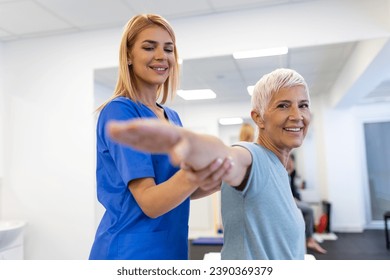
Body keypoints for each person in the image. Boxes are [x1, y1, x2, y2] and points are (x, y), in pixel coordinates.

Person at [107, 68, 312, 260]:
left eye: (303, 105)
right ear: (258, 118)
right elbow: (226, 155)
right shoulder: (253, 158)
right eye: (283, 106)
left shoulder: (278, 167)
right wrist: (191, 143)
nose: (297, 115)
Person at [89, 14, 232, 260]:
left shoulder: (172, 117)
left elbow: (179, 189)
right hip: (130, 253)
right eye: (149, 47)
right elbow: (151, 202)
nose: (161, 56)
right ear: (128, 56)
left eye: (169, 49)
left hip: (171, 250)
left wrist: (220, 176)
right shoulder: (121, 111)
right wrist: (196, 174)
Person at [287, 154, 327, 254]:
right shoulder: (282, 173)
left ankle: (309, 238)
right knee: (309, 210)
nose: (291, 164)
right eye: (289, 162)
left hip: (293, 199)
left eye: (292, 162)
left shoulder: (291, 174)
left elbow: (293, 190)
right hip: (289, 201)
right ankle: (309, 240)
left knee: (307, 209)